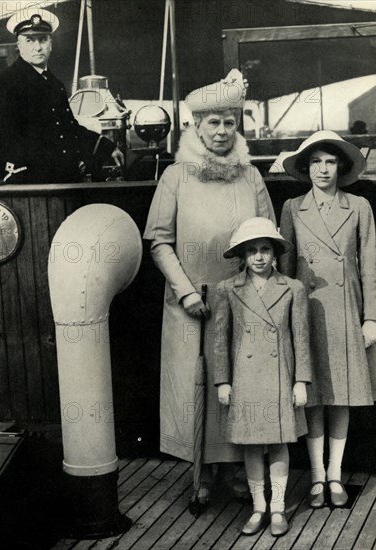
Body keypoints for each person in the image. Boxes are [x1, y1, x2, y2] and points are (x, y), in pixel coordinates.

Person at [143, 70, 276, 503]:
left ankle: (239, 468)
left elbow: (268, 236)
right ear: (195, 128)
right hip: (190, 302)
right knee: (194, 386)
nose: (221, 131)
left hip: (242, 300)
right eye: (212, 123)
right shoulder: (176, 177)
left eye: (229, 123)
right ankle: (200, 472)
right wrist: (186, 292)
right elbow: (159, 242)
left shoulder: (250, 177)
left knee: (239, 384)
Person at [279, 130, 376, 509]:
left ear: (341, 166)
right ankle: (317, 477)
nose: (322, 169)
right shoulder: (292, 207)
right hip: (308, 311)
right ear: (305, 168)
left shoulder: (358, 207)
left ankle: (336, 474)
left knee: (340, 396)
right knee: (313, 397)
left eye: (329, 161)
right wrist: (287, 320)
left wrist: (371, 317)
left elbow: (368, 266)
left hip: (344, 311)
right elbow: (286, 272)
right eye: (315, 162)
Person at [214, 217, 311, 536]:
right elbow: (220, 338)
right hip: (244, 378)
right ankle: (258, 508)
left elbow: (301, 337)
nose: (259, 257)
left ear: (275, 253)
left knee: (280, 441)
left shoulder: (293, 288)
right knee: (252, 445)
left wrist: (301, 380)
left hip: (280, 376)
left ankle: (279, 508)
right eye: (252, 250)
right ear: (242, 255)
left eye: (265, 249)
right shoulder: (228, 289)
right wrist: (223, 380)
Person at [0, 8, 123, 184]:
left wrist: (106, 147)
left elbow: (68, 129)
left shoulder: (55, 84)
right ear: (18, 46)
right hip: (32, 184)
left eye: (43, 39)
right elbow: (1, 138)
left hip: (66, 178)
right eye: (29, 40)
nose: (37, 47)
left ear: (51, 44)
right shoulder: (4, 83)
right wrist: (17, 175)